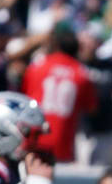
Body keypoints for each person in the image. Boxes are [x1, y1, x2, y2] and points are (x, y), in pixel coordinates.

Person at [23, 25, 97, 163]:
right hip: (62, 144)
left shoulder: (38, 66)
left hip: (33, 140)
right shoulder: (82, 74)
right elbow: (90, 108)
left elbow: (25, 96)